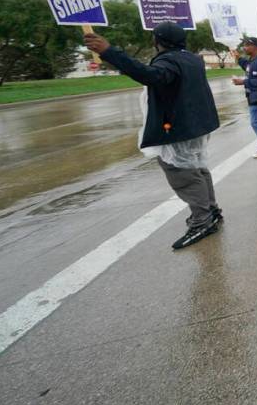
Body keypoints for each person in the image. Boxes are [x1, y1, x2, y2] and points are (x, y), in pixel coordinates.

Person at [83, 22, 224, 250]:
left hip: (178, 127)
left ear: (157, 42)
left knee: (183, 173)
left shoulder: (169, 61)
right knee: (197, 167)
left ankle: (203, 220)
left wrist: (110, 52)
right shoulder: (192, 59)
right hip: (196, 124)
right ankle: (211, 210)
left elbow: (152, 76)